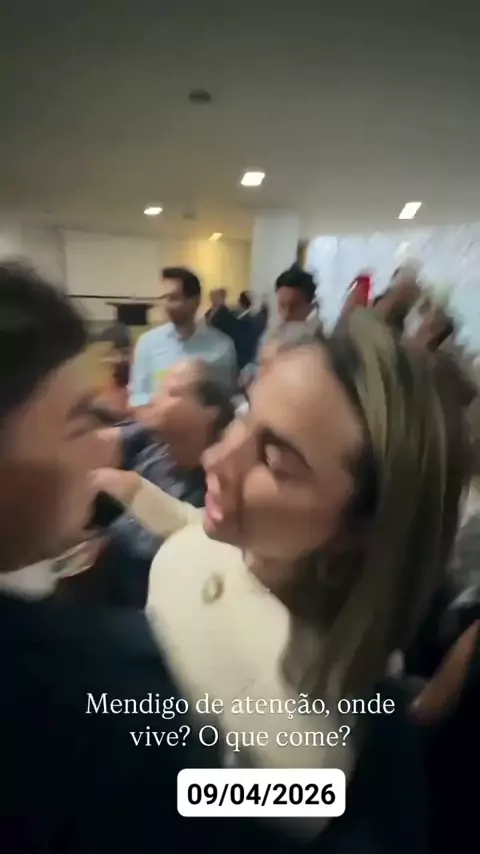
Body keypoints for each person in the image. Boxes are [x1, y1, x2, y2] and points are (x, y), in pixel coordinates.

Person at [96, 308, 470, 850]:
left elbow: (176, 808)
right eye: (244, 417)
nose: (217, 457)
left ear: (360, 529)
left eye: (273, 461)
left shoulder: (308, 753)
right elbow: (191, 529)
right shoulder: (246, 542)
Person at [0, 263, 294, 854]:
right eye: (80, 420)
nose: (222, 458)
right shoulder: (106, 693)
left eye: (278, 455)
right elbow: (233, 811)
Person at [63, 360, 234, 608]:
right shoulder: (151, 444)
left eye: (172, 392)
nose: (154, 399)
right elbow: (94, 444)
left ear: (210, 412)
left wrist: (131, 491)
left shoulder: (219, 485)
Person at [129, 267, 236, 410]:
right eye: (163, 298)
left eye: (173, 298)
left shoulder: (221, 347)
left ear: (195, 301)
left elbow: (226, 399)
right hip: (156, 420)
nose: (166, 305)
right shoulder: (148, 343)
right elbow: (138, 396)